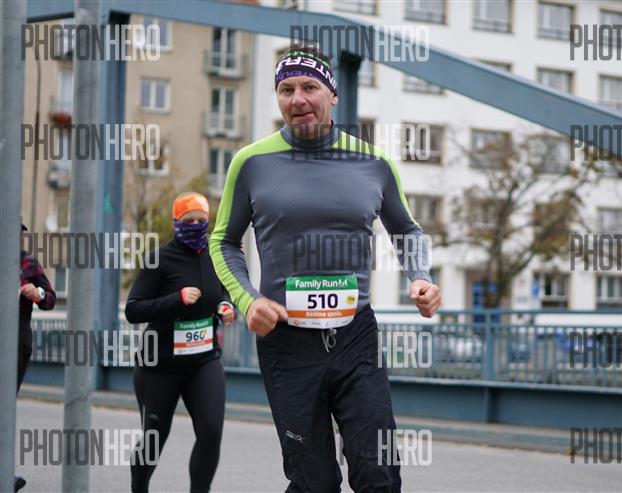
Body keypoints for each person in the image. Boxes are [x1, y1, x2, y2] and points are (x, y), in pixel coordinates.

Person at [209, 46, 441, 492]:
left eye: (309, 87)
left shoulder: (373, 163)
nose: (298, 99)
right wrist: (248, 299)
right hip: (286, 342)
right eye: (286, 89)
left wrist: (421, 279)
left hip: (356, 337)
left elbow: (407, 231)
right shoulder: (251, 162)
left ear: (333, 95)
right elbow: (222, 241)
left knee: (379, 474)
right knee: (313, 482)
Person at [125, 192, 235, 493]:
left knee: (211, 433)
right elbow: (134, 310)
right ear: (177, 222)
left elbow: (222, 292)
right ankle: (139, 487)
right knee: (155, 438)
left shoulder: (215, 255)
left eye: (202, 220)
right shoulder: (159, 259)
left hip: (204, 361)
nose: (197, 225)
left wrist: (226, 306)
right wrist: (177, 299)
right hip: (159, 366)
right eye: (189, 220)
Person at [16, 222, 57, 492]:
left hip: (16, 342)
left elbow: (50, 298)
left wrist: (37, 293)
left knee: (5, 405)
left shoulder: (28, 263)